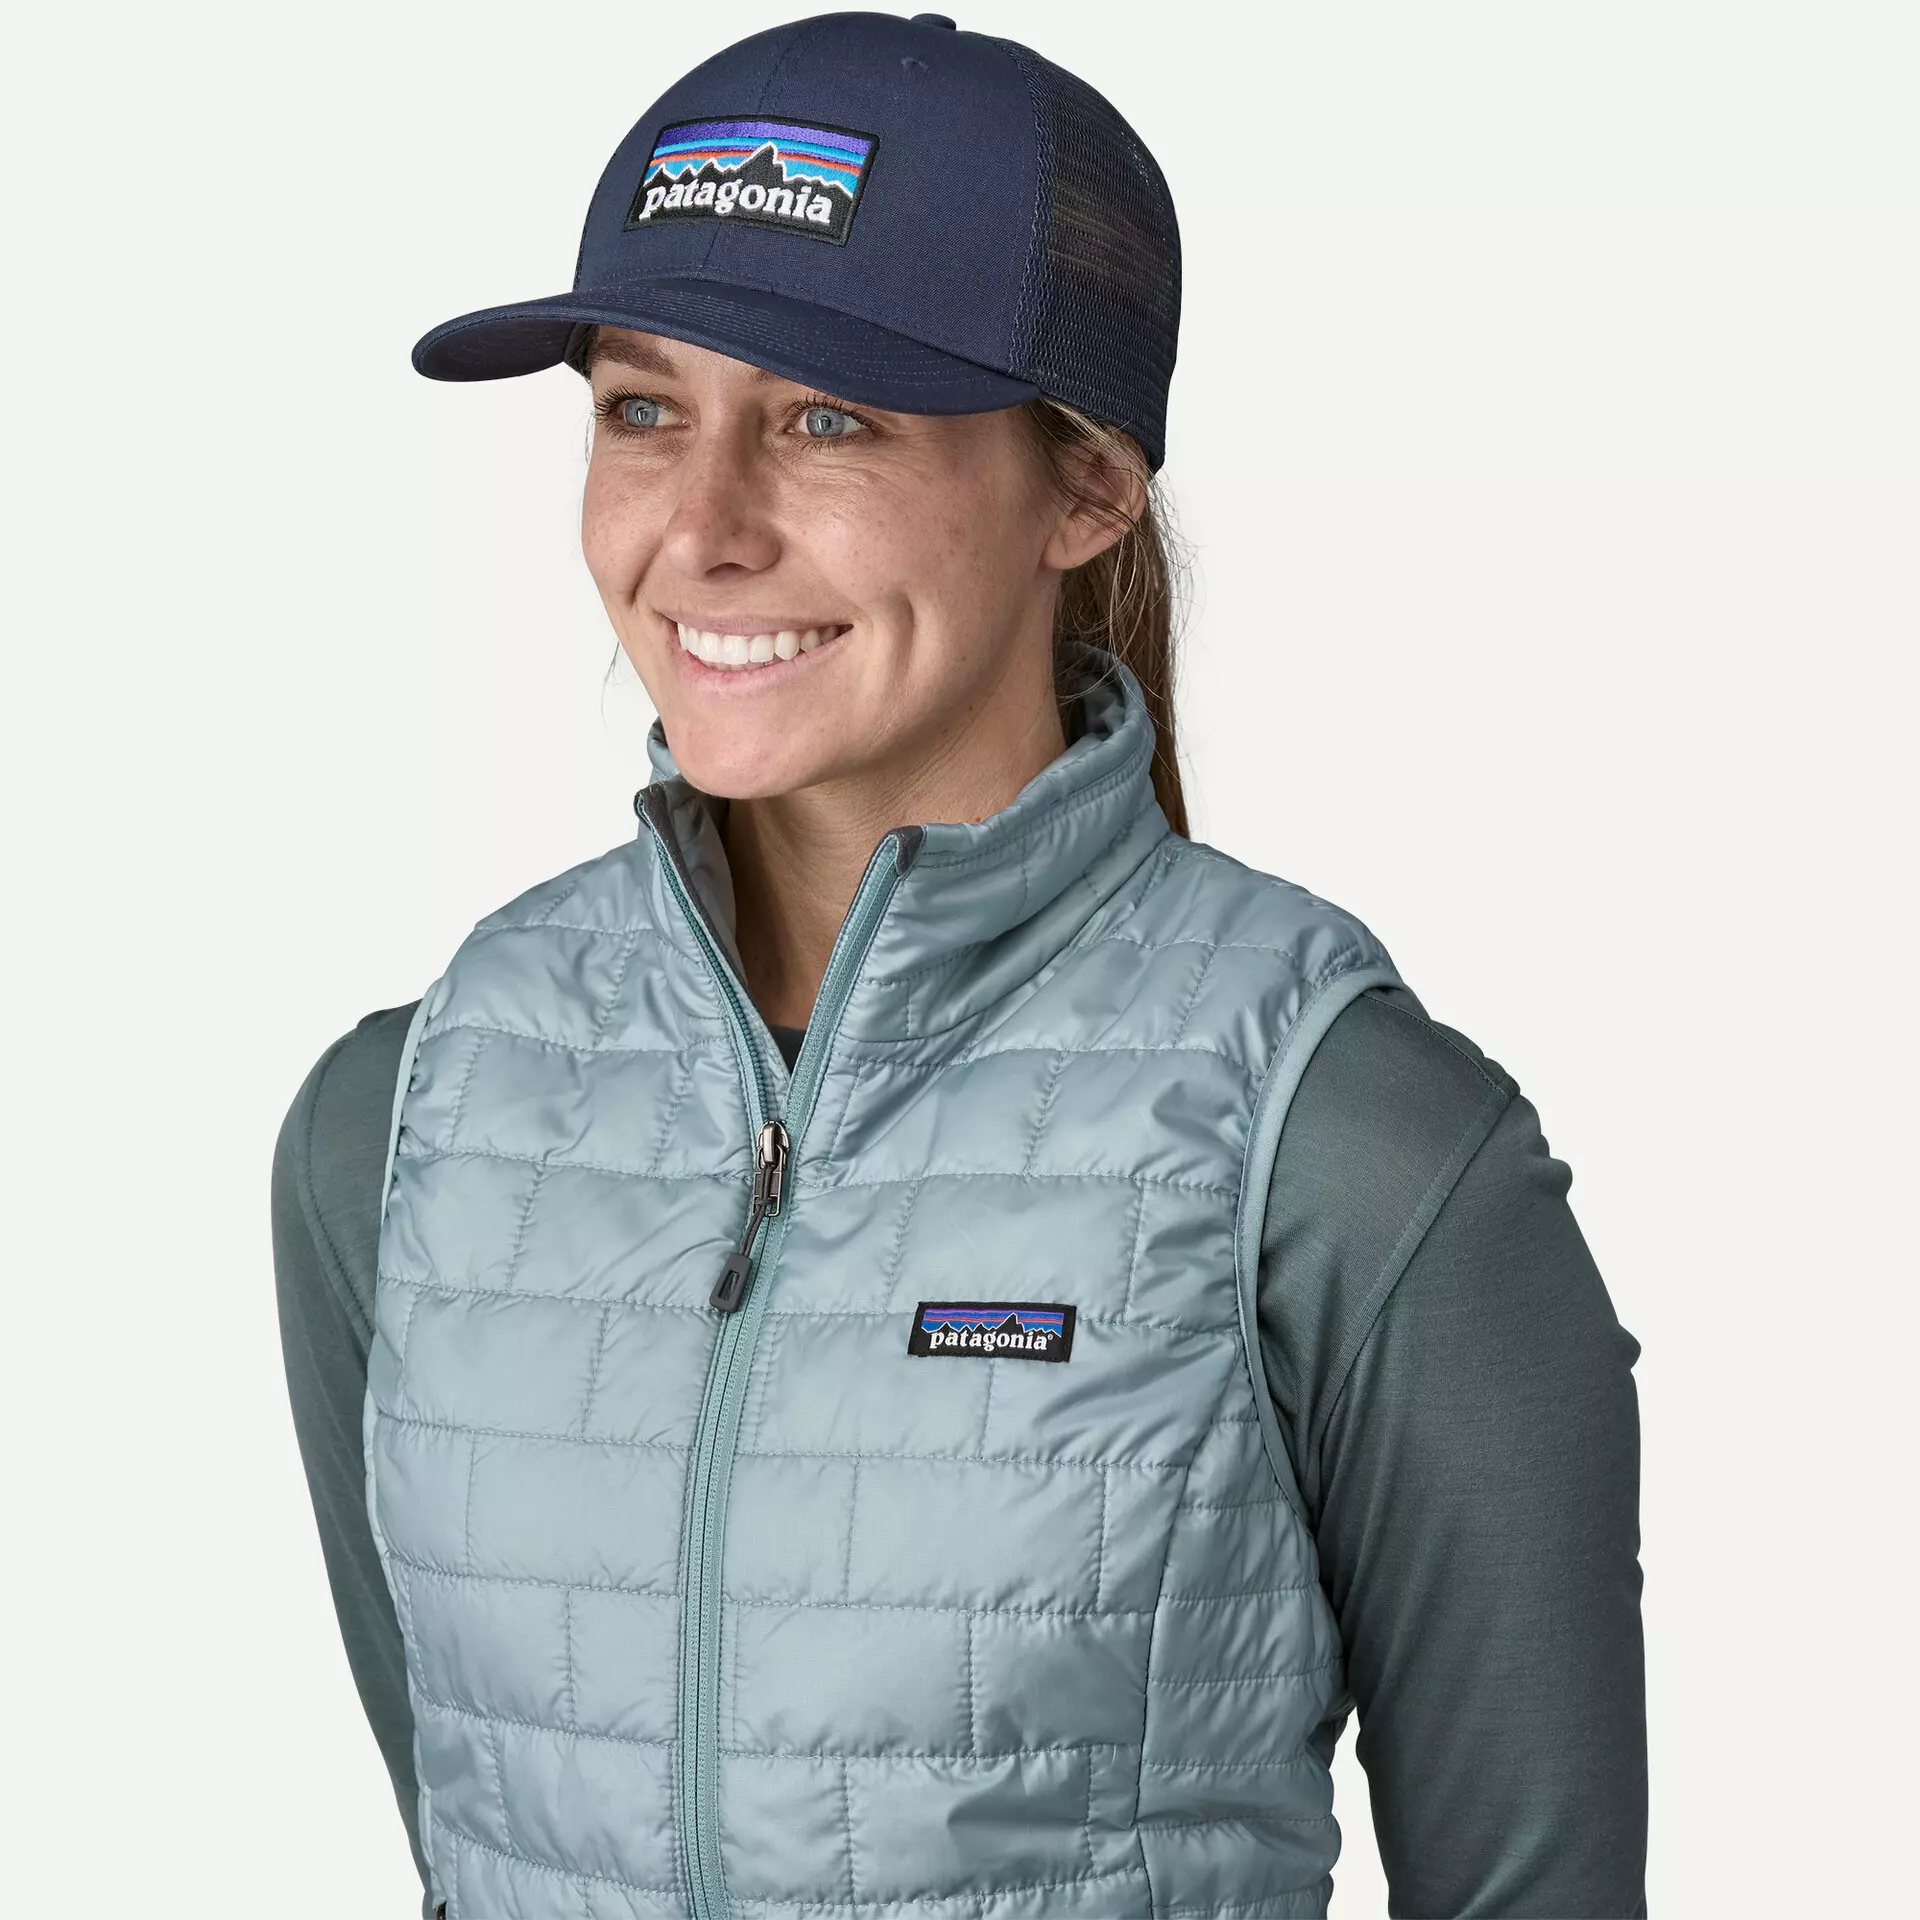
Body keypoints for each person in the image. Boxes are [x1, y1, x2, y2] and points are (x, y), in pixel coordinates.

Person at [272, 13, 1647, 1918]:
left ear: (1085, 488)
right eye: (643, 411)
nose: (703, 529)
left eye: (828, 419)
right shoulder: (406, 1125)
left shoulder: (1350, 1148)